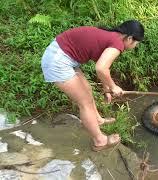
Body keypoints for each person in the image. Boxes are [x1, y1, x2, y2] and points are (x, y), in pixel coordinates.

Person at [41, 20, 145, 151]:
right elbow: (101, 68)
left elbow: (102, 69)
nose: (135, 45)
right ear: (130, 38)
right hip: (58, 60)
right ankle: (100, 141)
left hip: (63, 55)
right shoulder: (117, 43)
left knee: (87, 89)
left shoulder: (112, 36)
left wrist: (106, 88)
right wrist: (113, 87)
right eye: (136, 43)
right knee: (84, 103)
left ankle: (98, 120)